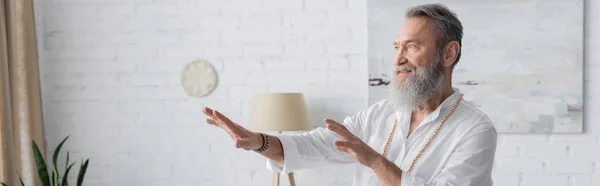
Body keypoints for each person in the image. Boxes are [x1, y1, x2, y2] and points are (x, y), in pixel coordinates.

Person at [202, 3, 497, 186]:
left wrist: (375, 161)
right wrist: (259, 141)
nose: (397, 61)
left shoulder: (475, 129)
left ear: (449, 53)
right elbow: (312, 146)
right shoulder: (379, 115)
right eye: (397, 47)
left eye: (412, 46)